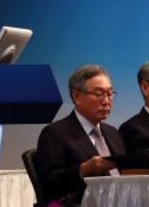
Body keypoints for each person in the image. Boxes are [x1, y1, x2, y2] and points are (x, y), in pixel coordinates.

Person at [35, 65, 126, 206]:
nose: (107, 101)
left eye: (109, 94)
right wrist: (83, 170)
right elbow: (49, 184)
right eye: (99, 94)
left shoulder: (113, 133)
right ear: (77, 96)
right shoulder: (55, 133)